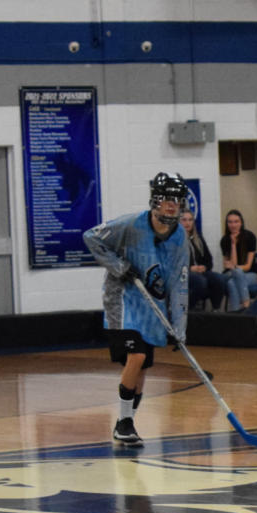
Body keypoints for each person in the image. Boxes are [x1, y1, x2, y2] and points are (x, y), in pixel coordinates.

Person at [83, 172, 190, 449]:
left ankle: (126, 423)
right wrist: (119, 266)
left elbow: (180, 284)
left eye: (176, 200)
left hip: (152, 307)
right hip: (122, 300)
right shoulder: (130, 224)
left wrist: (179, 328)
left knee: (141, 366)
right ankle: (124, 423)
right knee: (137, 354)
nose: (171, 205)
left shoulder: (180, 238)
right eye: (166, 199)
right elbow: (92, 237)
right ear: (155, 199)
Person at [180, 208, 226, 310]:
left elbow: (209, 260)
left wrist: (204, 267)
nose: (187, 223)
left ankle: (216, 310)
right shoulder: (174, 240)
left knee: (219, 279)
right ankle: (188, 311)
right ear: (179, 222)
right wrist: (190, 268)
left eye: (190, 220)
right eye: (184, 220)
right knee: (201, 281)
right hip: (183, 274)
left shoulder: (198, 238)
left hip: (200, 272)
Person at [218, 210, 257, 312]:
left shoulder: (250, 237)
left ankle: (236, 312)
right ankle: (246, 306)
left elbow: (247, 266)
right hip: (232, 273)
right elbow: (231, 265)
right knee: (235, 273)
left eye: (236, 221)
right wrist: (233, 244)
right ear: (227, 224)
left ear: (241, 223)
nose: (233, 225)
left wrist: (234, 268)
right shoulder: (225, 240)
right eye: (230, 222)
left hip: (250, 274)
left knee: (232, 282)